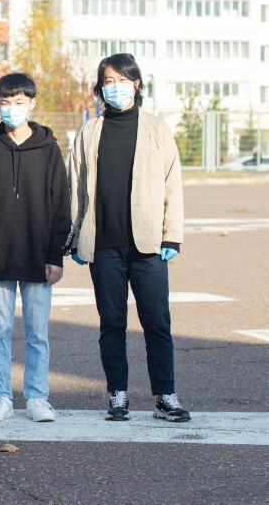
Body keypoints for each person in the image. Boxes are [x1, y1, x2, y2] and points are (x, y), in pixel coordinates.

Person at [69, 53, 189, 422]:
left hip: (149, 244)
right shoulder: (89, 132)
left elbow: (173, 185)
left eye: (122, 79)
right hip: (104, 244)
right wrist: (75, 236)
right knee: (112, 324)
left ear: (136, 84)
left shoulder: (157, 129)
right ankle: (117, 394)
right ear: (100, 88)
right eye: (108, 81)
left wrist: (172, 236)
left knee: (157, 321)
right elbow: (77, 187)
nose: (115, 87)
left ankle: (165, 395)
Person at [0, 73, 70, 424]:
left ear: (31, 103)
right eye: (4, 102)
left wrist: (55, 255)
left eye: (18, 102)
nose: (11, 109)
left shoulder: (49, 149)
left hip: (37, 255)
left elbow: (61, 204)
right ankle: (1, 395)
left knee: (37, 332)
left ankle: (37, 396)